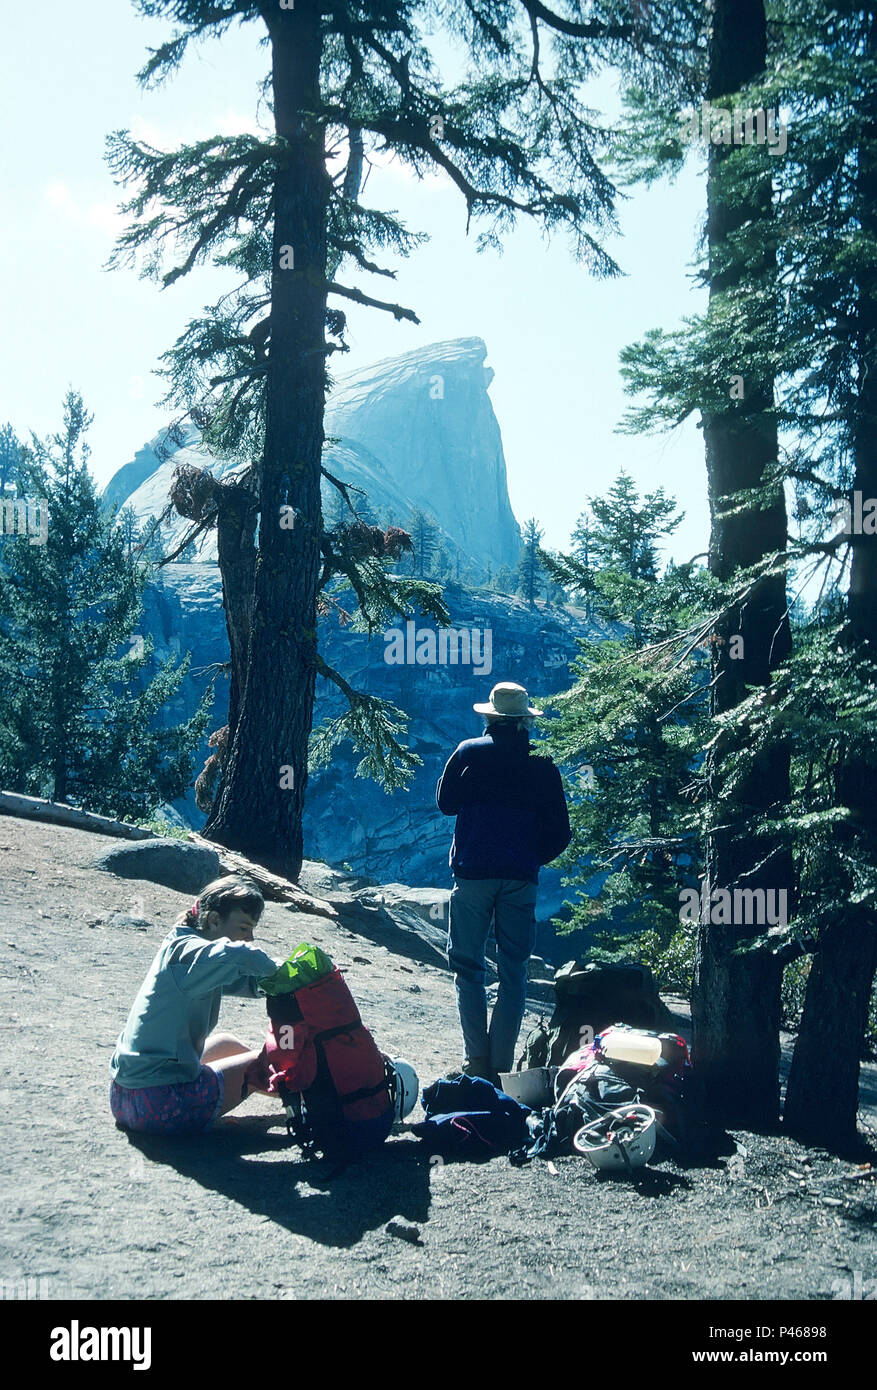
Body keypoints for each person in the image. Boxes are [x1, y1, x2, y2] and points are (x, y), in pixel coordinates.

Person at [436, 681, 571, 1084]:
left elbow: (445, 805)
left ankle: (476, 1062)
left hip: (473, 873)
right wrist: (529, 857)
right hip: (520, 879)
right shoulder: (543, 764)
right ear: (526, 721)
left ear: (489, 718)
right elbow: (561, 832)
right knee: (514, 971)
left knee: (468, 965)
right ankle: (499, 1067)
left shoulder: (468, 753)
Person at [109, 875, 281, 1135]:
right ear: (213, 920)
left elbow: (238, 979)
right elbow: (238, 956)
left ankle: (288, 1097)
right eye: (245, 928)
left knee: (229, 1043)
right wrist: (282, 972)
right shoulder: (188, 953)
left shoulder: (187, 949)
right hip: (159, 1105)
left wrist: (266, 985)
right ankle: (310, 1106)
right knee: (265, 1064)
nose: (250, 938)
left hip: (124, 1097)